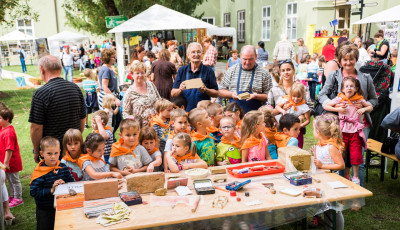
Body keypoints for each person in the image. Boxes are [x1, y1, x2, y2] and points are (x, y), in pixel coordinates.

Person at [319, 44, 378, 187]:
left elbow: (374, 100)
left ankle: (358, 194)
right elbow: (322, 95)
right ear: (340, 61)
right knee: (340, 157)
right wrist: (334, 106)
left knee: (358, 159)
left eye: (351, 59)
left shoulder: (365, 77)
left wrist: (363, 105)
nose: (348, 63)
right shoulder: (334, 75)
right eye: (345, 59)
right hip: (340, 124)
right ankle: (341, 191)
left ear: (356, 59)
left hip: (360, 125)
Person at [29, 55, 86, 162]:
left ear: (42, 69)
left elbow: (36, 127)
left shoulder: (41, 93)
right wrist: (75, 140)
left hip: (53, 152)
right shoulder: (75, 88)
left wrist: (36, 151)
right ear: (60, 68)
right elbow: (82, 118)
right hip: (74, 148)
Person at [324, 77, 373, 184]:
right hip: (342, 132)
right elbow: (326, 105)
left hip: (355, 132)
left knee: (356, 154)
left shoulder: (359, 99)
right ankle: (340, 173)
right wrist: (338, 109)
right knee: (341, 153)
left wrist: (363, 109)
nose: (349, 88)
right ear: (342, 89)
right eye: (346, 86)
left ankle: (355, 177)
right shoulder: (340, 98)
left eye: (351, 86)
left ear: (356, 88)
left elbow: (370, 106)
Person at [30, 136, 74, 230]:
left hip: (62, 206)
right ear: (42, 153)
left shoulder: (63, 167)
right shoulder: (39, 172)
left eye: (56, 153)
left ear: (60, 152)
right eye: (49, 153)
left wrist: (65, 185)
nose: (53, 156)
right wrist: (51, 190)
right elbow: (33, 192)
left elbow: (71, 182)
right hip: (45, 209)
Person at [309, 114, 345, 229]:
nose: (313, 131)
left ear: (318, 132)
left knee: (334, 209)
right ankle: (328, 226)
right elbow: (319, 161)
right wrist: (315, 153)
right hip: (322, 182)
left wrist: (322, 165)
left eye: (314, 129)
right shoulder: (320, 145)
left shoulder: (331, 147)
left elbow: (341, 165)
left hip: (332, 182)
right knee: (326, 208)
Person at [268, 59, 313, 148]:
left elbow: (310, 107)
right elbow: (269, 113)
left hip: (296, 129)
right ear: (280, 72)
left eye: (288, 69)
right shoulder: (274, 90)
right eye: (283, 70)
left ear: (293, 70)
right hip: (280, 129)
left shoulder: (302, 88)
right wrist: (282, 109)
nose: (286, 73)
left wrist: (302, 116)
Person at [219, 45, 273, 113]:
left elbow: (269, 96)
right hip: (233, 115)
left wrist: (256, 96)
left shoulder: (264, 73)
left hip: (256, 116)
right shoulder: (231, 71)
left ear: (256, 57)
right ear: (240, 56)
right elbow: (220, 91)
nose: (247, 63)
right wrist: (231, 94)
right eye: (245, 59)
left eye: (250, 59)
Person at [171, 42, 219, 111]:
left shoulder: (209, 71)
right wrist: (180, 89)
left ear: (202, 54)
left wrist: (206, 90)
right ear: (188, 55)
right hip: (185, 112)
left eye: (198, 52)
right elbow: (173, 93)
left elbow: (216, 93)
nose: (196, 54)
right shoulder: (182, 70)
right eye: (193, 52)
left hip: (202, 112)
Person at [123, 61, 161, 126]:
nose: (140, 75)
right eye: (137, 73)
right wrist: (134, 120)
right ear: (132, 75)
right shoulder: (129, 92)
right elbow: (125, 113)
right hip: (140, 128)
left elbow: (159, 101)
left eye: (142, 73)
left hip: (156, 125)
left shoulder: (151, 85)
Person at [0, 107, 23, 207]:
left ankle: (18, 198)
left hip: (11, 161)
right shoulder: (3, 128)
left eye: (0, 118)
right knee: (10, 180)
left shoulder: (8, 132)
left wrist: (6, 162)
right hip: (7, 161)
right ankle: (13, 196)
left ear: (7, 119)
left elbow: (9, 149)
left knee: (15, 180)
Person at [98, 48, 122, 133]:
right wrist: (115, 99)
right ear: (107, 58)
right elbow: (104, 86)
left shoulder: (109, 68)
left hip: (112, 97)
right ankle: (109, 137)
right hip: (109, 99)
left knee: (117, 120)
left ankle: (110, 137)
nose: (115, 58)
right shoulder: (106, 70)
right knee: (112, 121)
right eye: (113, 57)